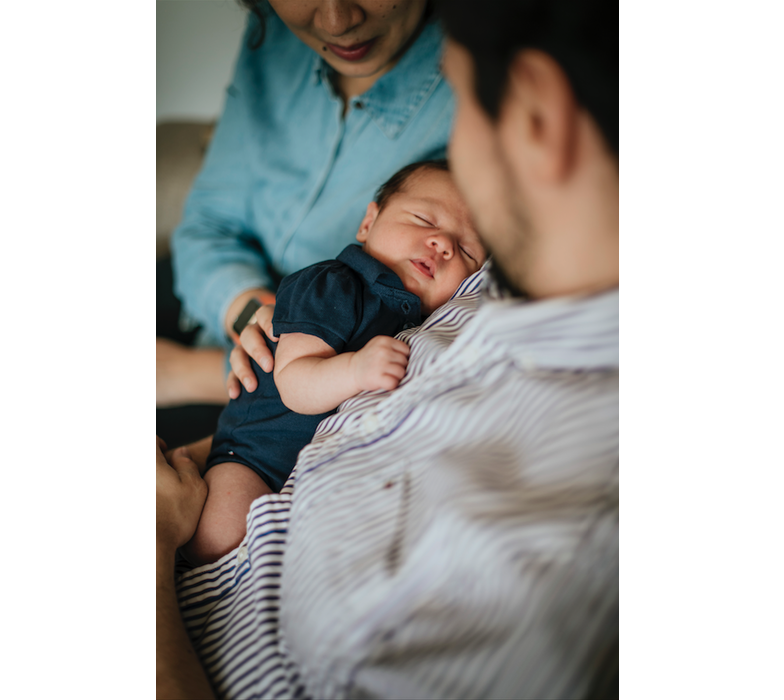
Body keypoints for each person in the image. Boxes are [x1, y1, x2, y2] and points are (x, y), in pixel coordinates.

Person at [156, 1, 619, 698]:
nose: (337, 17)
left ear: (537, 114)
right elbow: (210, 232)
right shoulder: (511, 277)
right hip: (244, 410)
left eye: (458, 108)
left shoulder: (544, 555)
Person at [182, 160, 485, 567]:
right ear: (368, 223)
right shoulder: (334, 285)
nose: (443, 244)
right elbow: (294, 381)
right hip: (255, 455)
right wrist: (356, 370)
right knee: (219, 537)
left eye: (466, 249)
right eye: (423, 218)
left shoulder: (421, 322)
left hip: (311, 471)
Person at [157, 0, 456, 410]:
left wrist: (196, 372)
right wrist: (265, 324)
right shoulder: (273, 37)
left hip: (310, 389)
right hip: (230, 315)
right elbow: (207, 225)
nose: (336, 22)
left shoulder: (482, 86)